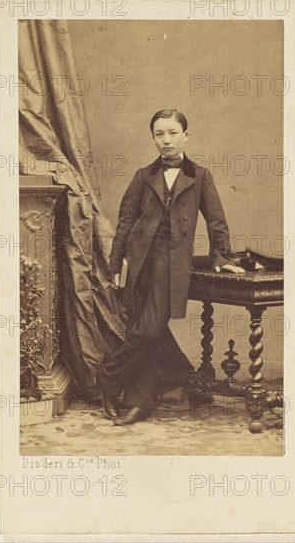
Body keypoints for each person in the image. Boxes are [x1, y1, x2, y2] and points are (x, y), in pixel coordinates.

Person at [99, 109, 245, 425]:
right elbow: (125, 222)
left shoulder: (201, 176)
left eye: (172, 133)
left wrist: (224, 258)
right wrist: (114, 264)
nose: (166, 140)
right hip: (139, 262)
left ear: (185, 136)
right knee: (146, 329)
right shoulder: (142, 175)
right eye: (159, 134)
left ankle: (108, 379)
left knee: (148, 330)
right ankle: (141, 402)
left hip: (172, 264)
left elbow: (217, 220)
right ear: (153, 138)